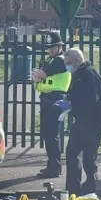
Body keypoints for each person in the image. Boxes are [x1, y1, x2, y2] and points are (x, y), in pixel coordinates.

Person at [63, 48, 101, 197]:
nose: (67, 66)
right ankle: (73, 190)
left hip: (92, 122)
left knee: (88, 157)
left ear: (76, 60)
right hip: (82, 121)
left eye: (68, 63)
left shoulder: (88, 75)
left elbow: (90, 100)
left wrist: (71, 105)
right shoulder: (78, 75)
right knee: (72, 154)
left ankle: (90, 188)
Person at [32, 31, 72, 178]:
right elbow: (36, 75)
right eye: (49, 47)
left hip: (55, 99)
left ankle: (54, 168)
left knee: (51, 135)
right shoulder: (50, 60)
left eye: (53, 47)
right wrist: (38, 74)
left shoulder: (60, 60)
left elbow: (39, 75)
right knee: (48, 134)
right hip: (47, 99)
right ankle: (52, 165)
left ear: (60, 46)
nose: (50, 50)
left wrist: (38, 74)